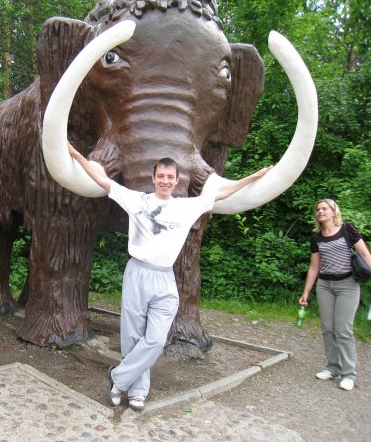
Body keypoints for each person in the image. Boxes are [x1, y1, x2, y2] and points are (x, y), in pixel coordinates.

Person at [67, 142, 271, 410]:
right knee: (132, 337)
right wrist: (75, 154)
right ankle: (137, 391)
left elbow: (221, 194)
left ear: (176, 181)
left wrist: (253, 177)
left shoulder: (186, 207)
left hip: (165, 278)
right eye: (161, 176)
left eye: (170, 177)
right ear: (153, 178)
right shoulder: (137, 200)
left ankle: (118, 378)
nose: (165, 180)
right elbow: (102, 179)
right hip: (138, 273)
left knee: (155, 340)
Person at [299, 199, 371, 391]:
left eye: (324, 208)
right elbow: (314, 267)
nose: (320, 211)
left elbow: (365, 255)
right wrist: (306, 292)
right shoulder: (316, 238)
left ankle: (349, 374)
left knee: (343, 330)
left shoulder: (348, 229)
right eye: (318, 209)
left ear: (333, 212)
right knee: (328, 329)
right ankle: (333, 367)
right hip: (325, 286)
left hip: (348, 285)